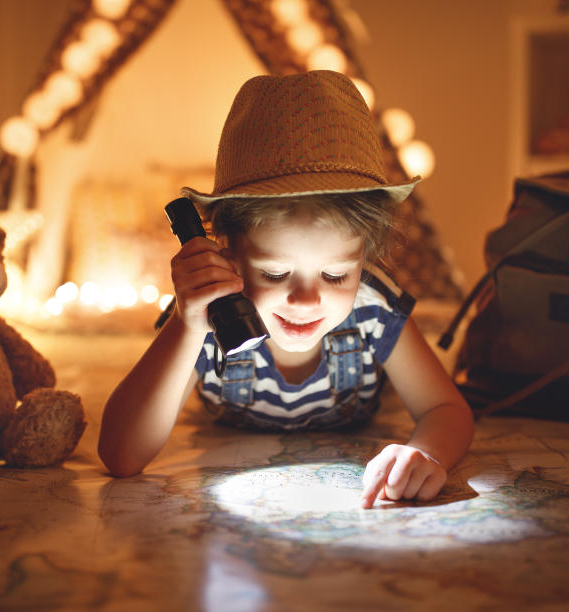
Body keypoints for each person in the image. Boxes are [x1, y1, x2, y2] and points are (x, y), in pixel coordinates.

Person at [99, 70, 473, 508]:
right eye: (276, 274)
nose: (307, 300)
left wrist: (425, 452)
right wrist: (186, 327)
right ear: (229, 254)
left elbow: (446, 410)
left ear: (363, 260)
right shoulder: (204, 315)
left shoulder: (375, 310)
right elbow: (121, 457)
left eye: (336, 276)